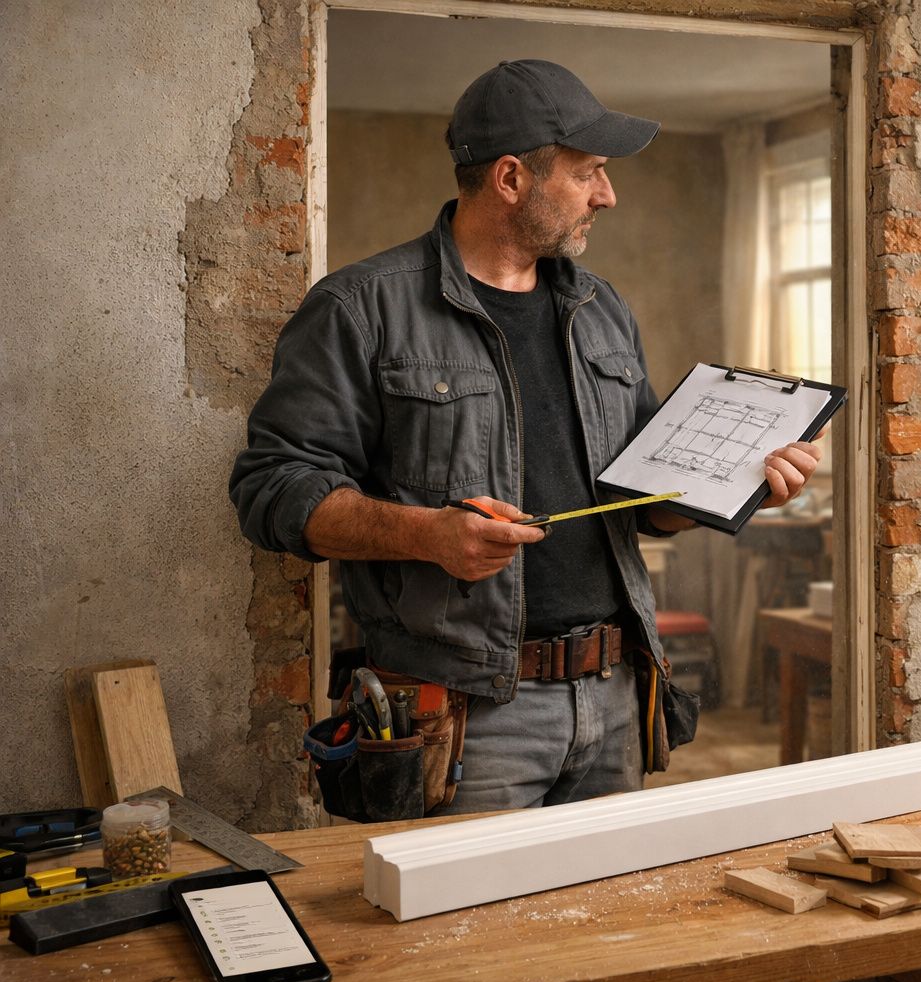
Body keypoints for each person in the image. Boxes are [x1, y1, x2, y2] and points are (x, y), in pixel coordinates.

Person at [230, 59, 821, 813]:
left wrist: (737, 487)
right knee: (469, 931)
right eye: (590, 173)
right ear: (512, 178)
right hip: (472, 716)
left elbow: (641, 502)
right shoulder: (360, 308)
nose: (608, 194)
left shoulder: (600, 308)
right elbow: (270, 489)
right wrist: (428, 534)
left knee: (606, 926)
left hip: (615, 698)